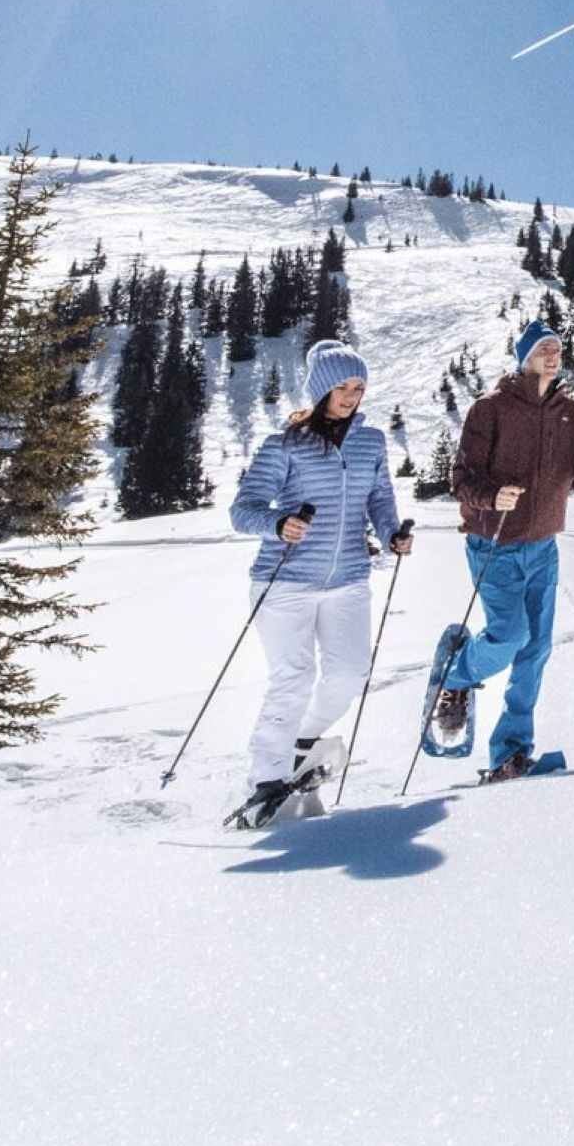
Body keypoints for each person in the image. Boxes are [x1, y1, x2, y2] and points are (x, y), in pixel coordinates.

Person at [434, 319, 574, 779]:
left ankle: (511, 753)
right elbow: (461, 479)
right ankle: (455, 675)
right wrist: (492, 496)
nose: (552, 355)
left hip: (543, 546)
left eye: (557, 348)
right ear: (523, 357)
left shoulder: (570, 413)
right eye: (542, 348)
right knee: (509, 637)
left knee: (535, 650)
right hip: (494, 544)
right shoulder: (490, 410)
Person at [229, 338, 411, 807]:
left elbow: (380, 499)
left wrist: (392, 534)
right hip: (285, 580)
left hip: (349, 578)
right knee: (294, 677)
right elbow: (243, 510)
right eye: (343, 387)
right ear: (321, 390)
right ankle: (265, 779)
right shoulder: (286, 444)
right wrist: (277, 524)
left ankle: (300, 742)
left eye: (359, 386)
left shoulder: (370, 441)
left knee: (349, 674)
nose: (352, 396)